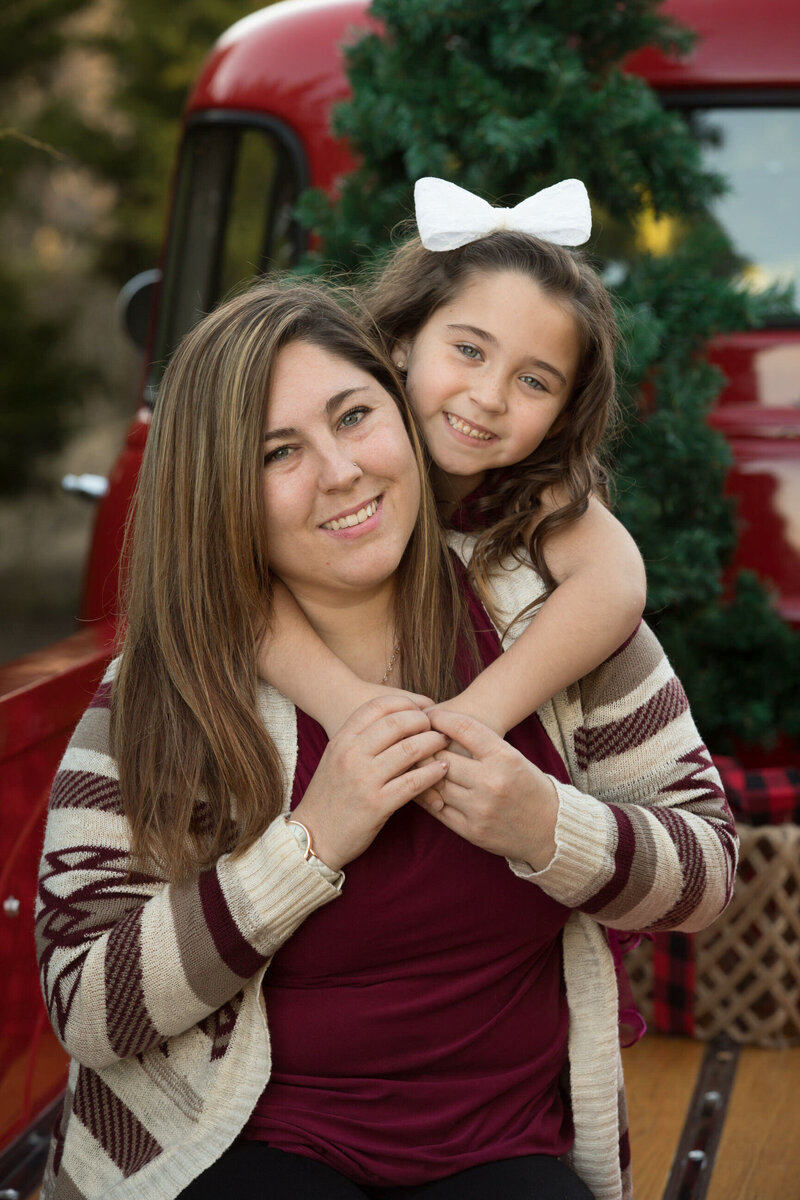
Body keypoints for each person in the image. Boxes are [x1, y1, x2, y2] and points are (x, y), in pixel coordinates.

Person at [35, 280, 736, 1200]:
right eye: (278, 452)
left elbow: (709, 873)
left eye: (354, 417)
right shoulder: (169, 685)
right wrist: (307, 846)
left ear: (404, 410)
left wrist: (546, 825)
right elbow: (86, 1002)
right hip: (235, 1140)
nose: (341, 472)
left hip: (498, 1148)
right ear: (220, 492)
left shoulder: (548, 625)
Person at [257, 177, 647, 745]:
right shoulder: (341, 451)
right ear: (403, 341)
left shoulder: (536, 492)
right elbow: (227, 585)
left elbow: (615, 586)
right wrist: (348, 706)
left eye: (534, 381)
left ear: (562, 416)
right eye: (469, 351)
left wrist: (477, 715)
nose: (490, 397)